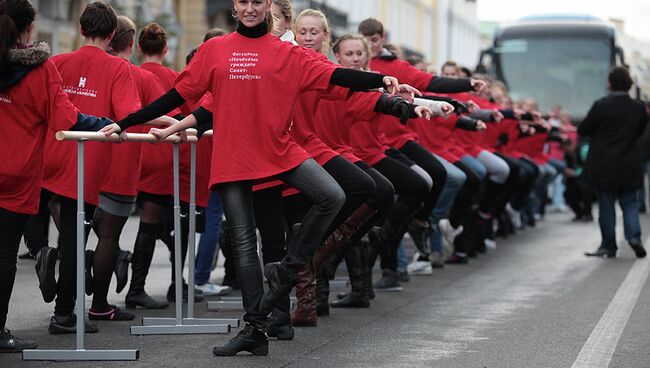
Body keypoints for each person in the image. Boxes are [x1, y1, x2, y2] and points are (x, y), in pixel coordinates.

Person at [104, 0, 404, 356]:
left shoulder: (285, 53)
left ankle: (286, 271)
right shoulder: (216, 49)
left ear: (266, 6)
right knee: (245, 244)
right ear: (235, 5)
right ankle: (255, 330)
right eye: (244, 1)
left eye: (257, 2)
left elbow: (335, 75)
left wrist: (379, 80)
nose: (249, 8)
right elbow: (179, 95)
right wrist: (126, 122)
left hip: (278, 150)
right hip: (233, 156)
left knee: (333, 196)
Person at [0, 0, 117, 351]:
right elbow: (67, 117)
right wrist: (105, 125)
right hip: (16, 172)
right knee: (5, 254)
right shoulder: (40, 68)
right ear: (29, 27)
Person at [40, 1, 141, 334]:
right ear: (111, 35)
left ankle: (46, 257)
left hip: (50, 156)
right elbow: (129, 116)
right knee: (73, 237)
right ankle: (64, 313)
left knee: (48, 226)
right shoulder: (118, 69)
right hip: (88, 164)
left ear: (81, 29)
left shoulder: (56, 63)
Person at [580, 66, 647, 258]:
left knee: (606, 204)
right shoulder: (639, 107)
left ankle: (608, 245)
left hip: (604, 164)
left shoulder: (601, 106)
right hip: (630, 162)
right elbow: (640, 131)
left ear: (610, 83)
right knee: (630, 202)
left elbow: (584, 129)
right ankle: (634, 237)